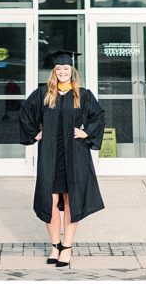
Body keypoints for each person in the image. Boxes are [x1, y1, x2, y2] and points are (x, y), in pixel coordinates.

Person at [19, 51, 105, 269]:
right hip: (50, 153)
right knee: (49, 199)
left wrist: (87, 133)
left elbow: (99, 116)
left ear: (72, 71)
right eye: (59, 69)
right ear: (54, 72)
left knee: (70, 199)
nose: (62, 72)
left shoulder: (83, 95)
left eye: (66, 69)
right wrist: (34, 134)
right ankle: (54, 244)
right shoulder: (43, 94)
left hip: (74, 153)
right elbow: (25, 114)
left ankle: (67, 246)